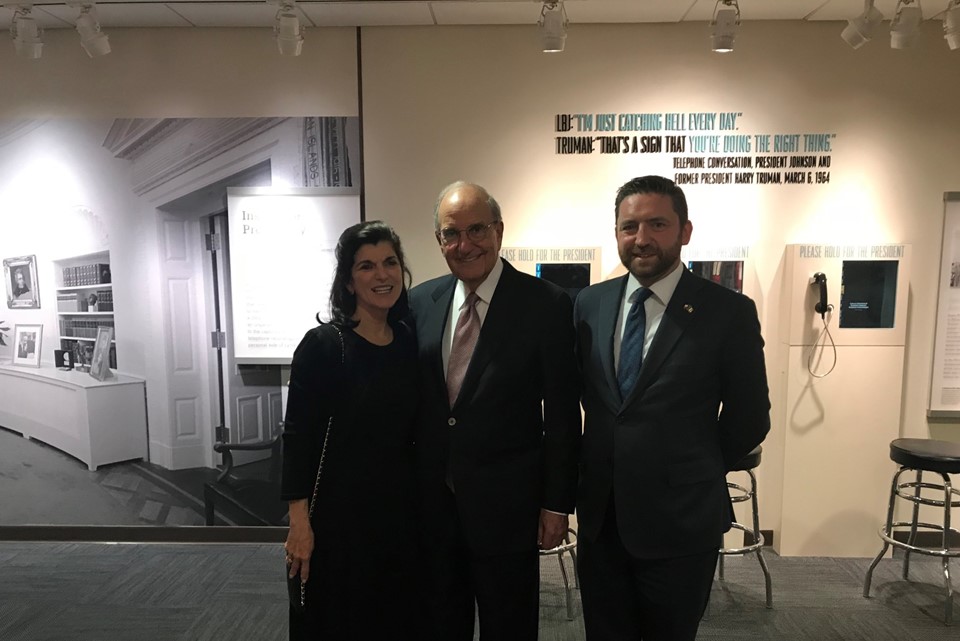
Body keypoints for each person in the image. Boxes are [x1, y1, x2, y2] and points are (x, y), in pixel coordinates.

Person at [573, 175, 771, 641]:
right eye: (629, 226)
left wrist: (692, 469)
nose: (642, 238)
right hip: (602, 522)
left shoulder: (727, 312)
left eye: (657, 224)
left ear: (685, 231)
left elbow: (749, 418)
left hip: (680, 524)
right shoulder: (588, 303)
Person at [408, 181, 581, 641]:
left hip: (509, 509)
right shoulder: (419, 302)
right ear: (439, 240)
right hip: (433, 508)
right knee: (439, 623)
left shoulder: (546, 305)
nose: (465, 245)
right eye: (451, 234)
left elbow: (562, 414)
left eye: (477, 230)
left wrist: (556, 503)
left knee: (509, 626)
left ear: (499, 231)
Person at [281, 220, 419, 640]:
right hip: (338, 526)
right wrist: (299, 525)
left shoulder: (408, 342)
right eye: (367, 266)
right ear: (347, 282)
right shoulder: (324, 346)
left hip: (396, 521)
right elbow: (298, 440)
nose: (382, 275)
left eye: (390, 262)